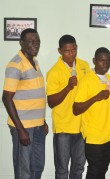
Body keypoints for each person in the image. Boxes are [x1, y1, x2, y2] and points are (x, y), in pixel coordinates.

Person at [2, 28, 48, 179]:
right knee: (24, 170)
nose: (36, 44)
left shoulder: (34, 61)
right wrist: (21, 129)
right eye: (31, 41)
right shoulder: (15, 64)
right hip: (23, 127)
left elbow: (35, 94)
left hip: (38, 126)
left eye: (38, 41)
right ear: (21, 43)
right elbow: (6, 98)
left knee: (37, 166)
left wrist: (43, 121)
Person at [46, 34, 89, 179]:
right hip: (63, 127)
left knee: (78, 168)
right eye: (67, 51)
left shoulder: (84, 66)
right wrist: (67, 88)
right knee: (62, 169)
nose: (71, 54)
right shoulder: (53, 72)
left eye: (74, 50)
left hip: (82, 126)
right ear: (60, 51)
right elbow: (51, 102)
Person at [73, 47, 110, 179]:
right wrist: (95, 98)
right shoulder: (86, 80)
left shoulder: (108, 78)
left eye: (108, 61)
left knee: (101, 171)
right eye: (102, 60)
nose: (105, 64)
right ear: (94, 61)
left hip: (109, 135)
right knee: (94, 172)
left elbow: (108, 106)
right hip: (94, 137)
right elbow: (76, 109)